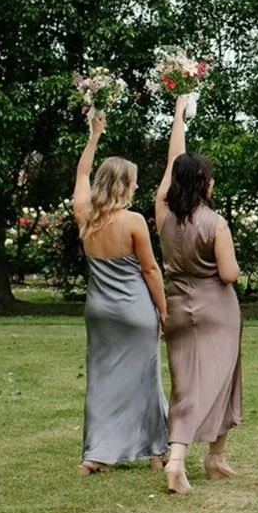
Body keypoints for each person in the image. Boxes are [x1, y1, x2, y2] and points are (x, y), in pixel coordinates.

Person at [155, 95, 243, 494]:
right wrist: (238, 269)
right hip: (215, 308)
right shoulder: (215, 223)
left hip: (176, 305)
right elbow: (228, 272)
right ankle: (178, 459)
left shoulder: (163, 217)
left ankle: (216, 457)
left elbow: (172, 162)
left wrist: (177, 118)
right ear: (203, 182)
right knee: (216, 381)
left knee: (184, 384)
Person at [72, 113, 169, 475]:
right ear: (124, 185)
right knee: (145, 380)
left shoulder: (85, 215)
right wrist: (163, 310)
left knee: (100, 380)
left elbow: (82, 176)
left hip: (99, 311)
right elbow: (150, 270)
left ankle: (94, 455)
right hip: (134, 311)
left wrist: (94, 136)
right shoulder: (133, 222)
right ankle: (156, 450)